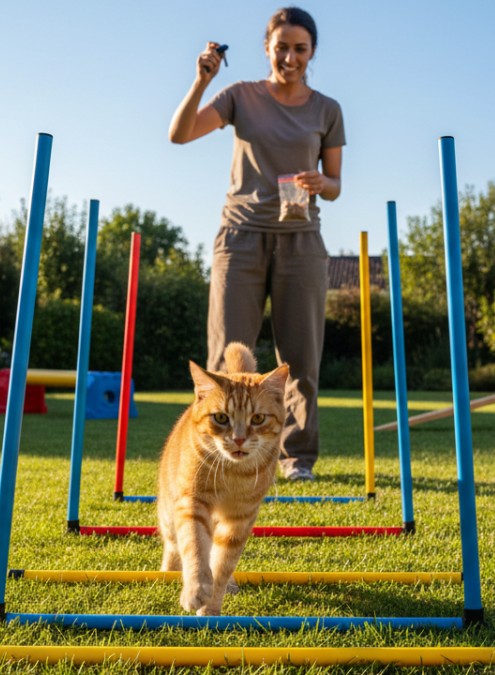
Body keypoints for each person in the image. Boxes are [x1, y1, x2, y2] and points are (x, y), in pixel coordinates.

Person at [168, 7, 344, 482]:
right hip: (240, 238)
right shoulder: (239, 96)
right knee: (226, 358)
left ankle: (296, 459)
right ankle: (212, 454)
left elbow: (336, 184)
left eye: (300, 49)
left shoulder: (326, 109)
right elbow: (179, 134)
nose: (290, 57)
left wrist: (319, 181)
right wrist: (201, 80)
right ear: (267, 47)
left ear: (312, 53)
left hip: (301, 241)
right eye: (281, 46)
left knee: (300, 361)